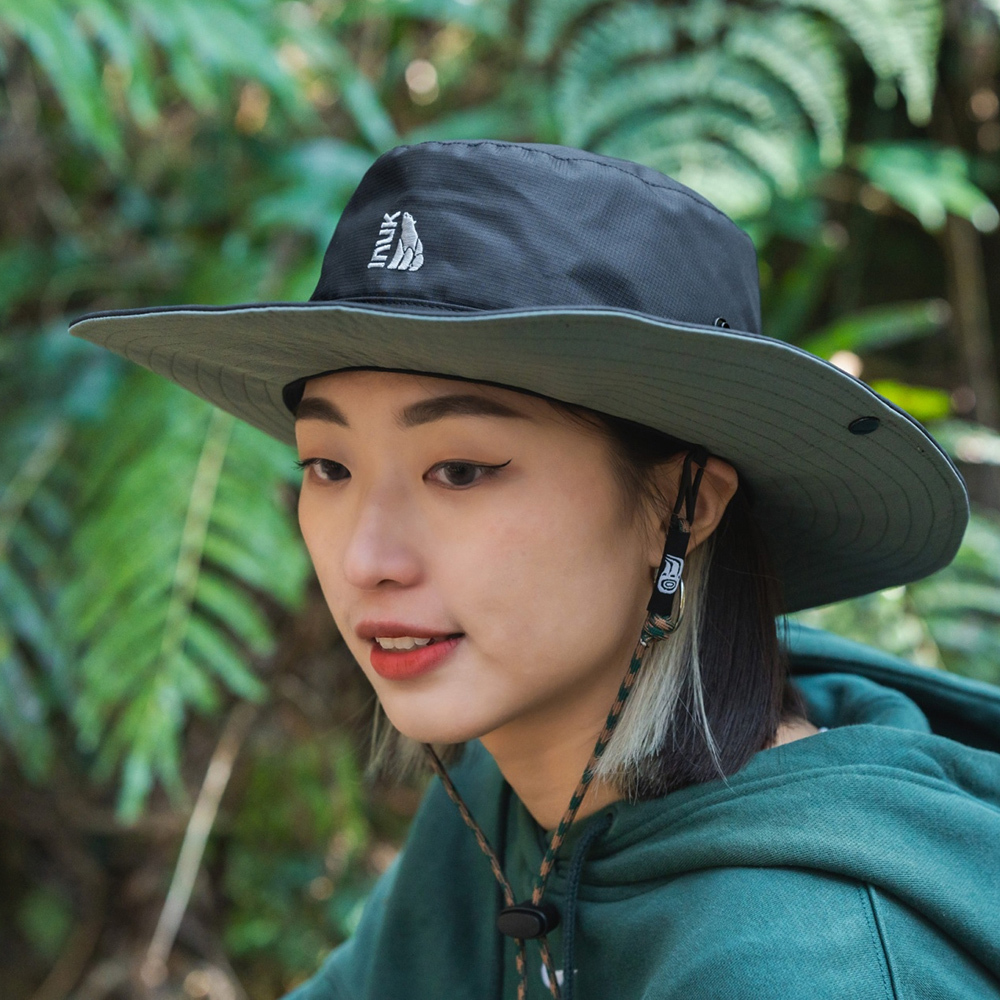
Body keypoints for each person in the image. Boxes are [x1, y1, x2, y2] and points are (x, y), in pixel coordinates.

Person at [71, 141, 1000, 999]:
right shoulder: (513, 794)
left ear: (685, 506)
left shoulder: (807, 962)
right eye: (329, 467)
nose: (365, 561)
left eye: (460, 470)